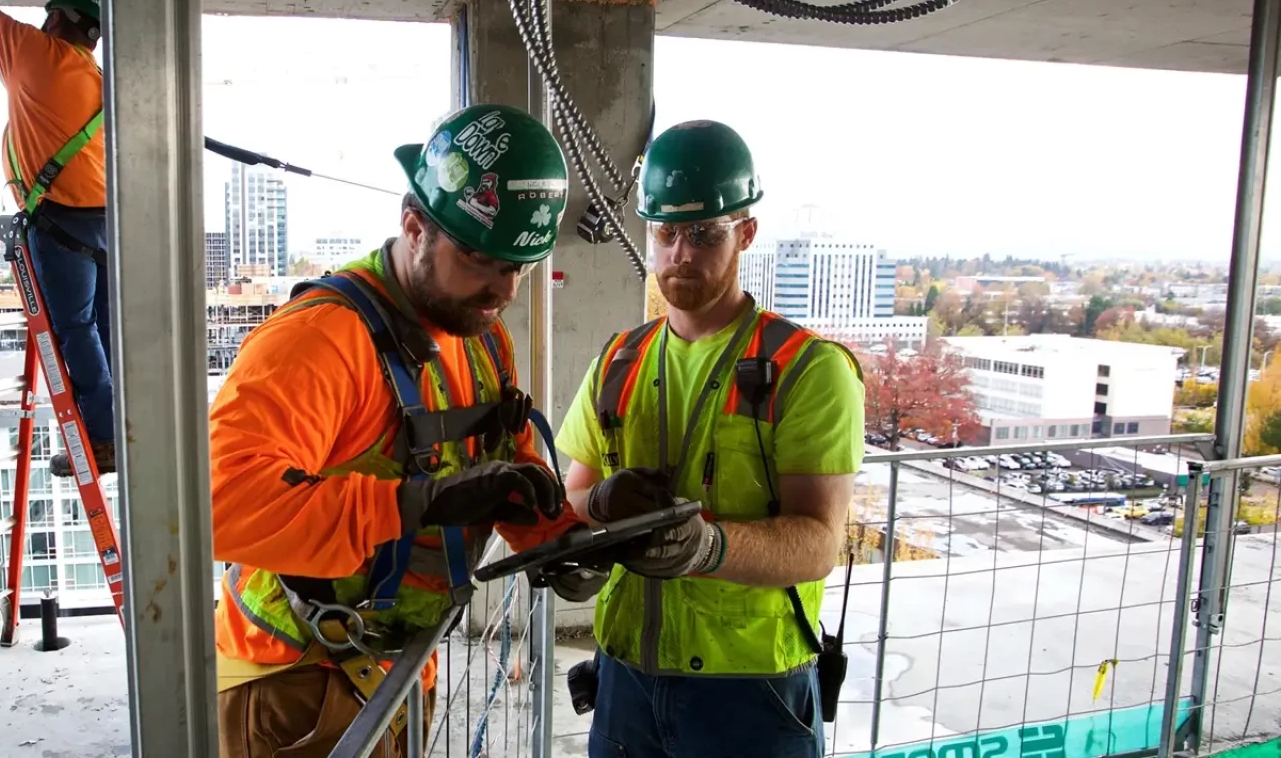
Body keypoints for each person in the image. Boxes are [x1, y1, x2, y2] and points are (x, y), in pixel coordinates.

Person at [209, 104, 606, 758]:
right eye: (479, 258)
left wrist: (565, 539)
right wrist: (413, 504)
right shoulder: (322, 340)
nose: (502, 289)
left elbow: (508, 469)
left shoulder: (482, 333)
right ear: (415, 225)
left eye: (520, 266)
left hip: (399, 670)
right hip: (296, 682)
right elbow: (219, 506)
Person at [557, 119, 865, 758]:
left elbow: (817, 543)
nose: (681, 255)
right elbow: (576, 495)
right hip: (624, 678)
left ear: (746, 231)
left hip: (751, 690)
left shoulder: (807, 369)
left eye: (704, 234)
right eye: (666, 234)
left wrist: (707, 546)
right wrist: (604, 505)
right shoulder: (621, 361)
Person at [0, 0, 115, 477]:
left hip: (60, 222)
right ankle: (125, 426)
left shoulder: (33, 52)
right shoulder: (100, 81)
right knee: (109, 329)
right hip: (107, 221)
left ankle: (103, 438)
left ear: (54, 19)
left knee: (76, 330)